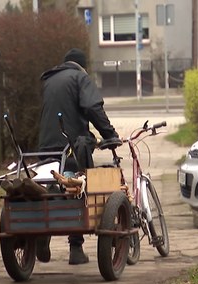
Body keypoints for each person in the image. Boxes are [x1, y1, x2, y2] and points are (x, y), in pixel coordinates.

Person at [36, 48, 120, 265]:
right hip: (72, 145)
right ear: (83, 66)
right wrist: (110, 135)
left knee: (53, 185)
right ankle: (76, 249)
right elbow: (93, 107)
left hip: (46, 146)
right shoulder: (80, 77)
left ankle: (43, 232)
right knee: (77, 187)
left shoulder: (49, 80)